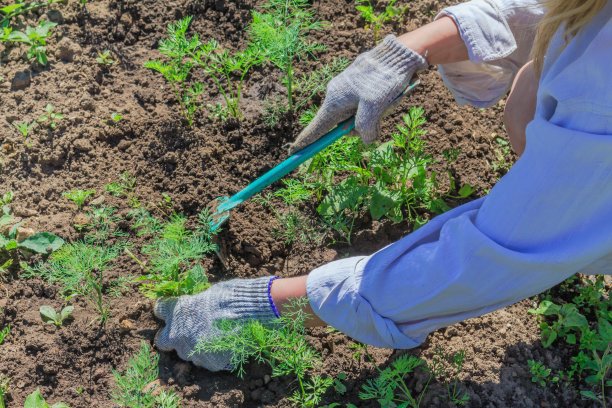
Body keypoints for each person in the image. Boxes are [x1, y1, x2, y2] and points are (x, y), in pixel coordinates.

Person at [153, 0, 612, 371]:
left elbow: (486, 258)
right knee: (533, 90)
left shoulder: (601, 102)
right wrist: (411, 51)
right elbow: (568, 14)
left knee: (540, 122)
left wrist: (266, 305)